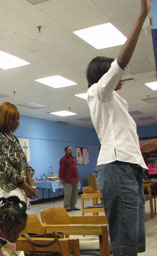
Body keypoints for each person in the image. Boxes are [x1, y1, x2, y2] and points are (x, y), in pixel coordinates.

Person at [86, 1, 150, 255]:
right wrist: (142, 17)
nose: (120, 77)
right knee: (124, 243)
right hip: (117, 168)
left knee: (132, 241)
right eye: (114, 74)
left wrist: (150, 146)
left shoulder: (115, 101)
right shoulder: (97, 92)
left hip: (127, 168)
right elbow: (121, 62)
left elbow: (125, 140)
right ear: (105, 75)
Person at [0, 102, 38, 210]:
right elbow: (7, 169)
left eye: (18, 119)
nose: (16, 123)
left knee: (22, 219)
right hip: (7, 188)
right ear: (4, 118)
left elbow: (25, 164)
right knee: (16, 220)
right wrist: (26, 187)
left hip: (21, 186)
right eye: (13, 119)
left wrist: (32, 186)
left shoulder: (14, 139)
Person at [59, 146, 79, 212]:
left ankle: (73, 206)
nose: (71, 151)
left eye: (71, 150)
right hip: (67, 179)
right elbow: (61, 169)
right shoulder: (63, 159)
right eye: (69, 150)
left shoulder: (74, 158)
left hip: (75, 178)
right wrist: (61, 178)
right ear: (66, 151)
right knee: (68, 194)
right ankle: (66, 206)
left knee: (75, 193)